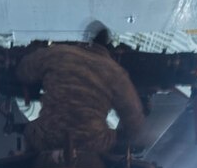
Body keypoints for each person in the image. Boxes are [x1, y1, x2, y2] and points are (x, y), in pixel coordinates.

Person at [15, 22, 145, 158]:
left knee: (30, 131)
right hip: (94, 142)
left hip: (49, 136)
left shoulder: (59, 54)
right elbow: (134, 120)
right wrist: (122, 138)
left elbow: (23, 71)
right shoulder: (115, 73)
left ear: (85, 41)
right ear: (109, 49)